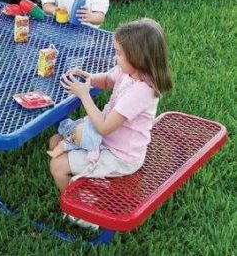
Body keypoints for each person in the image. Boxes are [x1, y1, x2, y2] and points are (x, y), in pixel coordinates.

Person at [49, 18, 172, 223]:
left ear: (138, 57)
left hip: (120, 155)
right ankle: (90, 186)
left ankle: (81, 213)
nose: (116, 58)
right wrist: (88, 78)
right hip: (103, 140)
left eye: (119, 53)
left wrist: (84, 95)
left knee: (57, 165)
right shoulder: (129, 72)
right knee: (55, 142)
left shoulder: (141, 91)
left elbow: (105, 127)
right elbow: (107, 79)